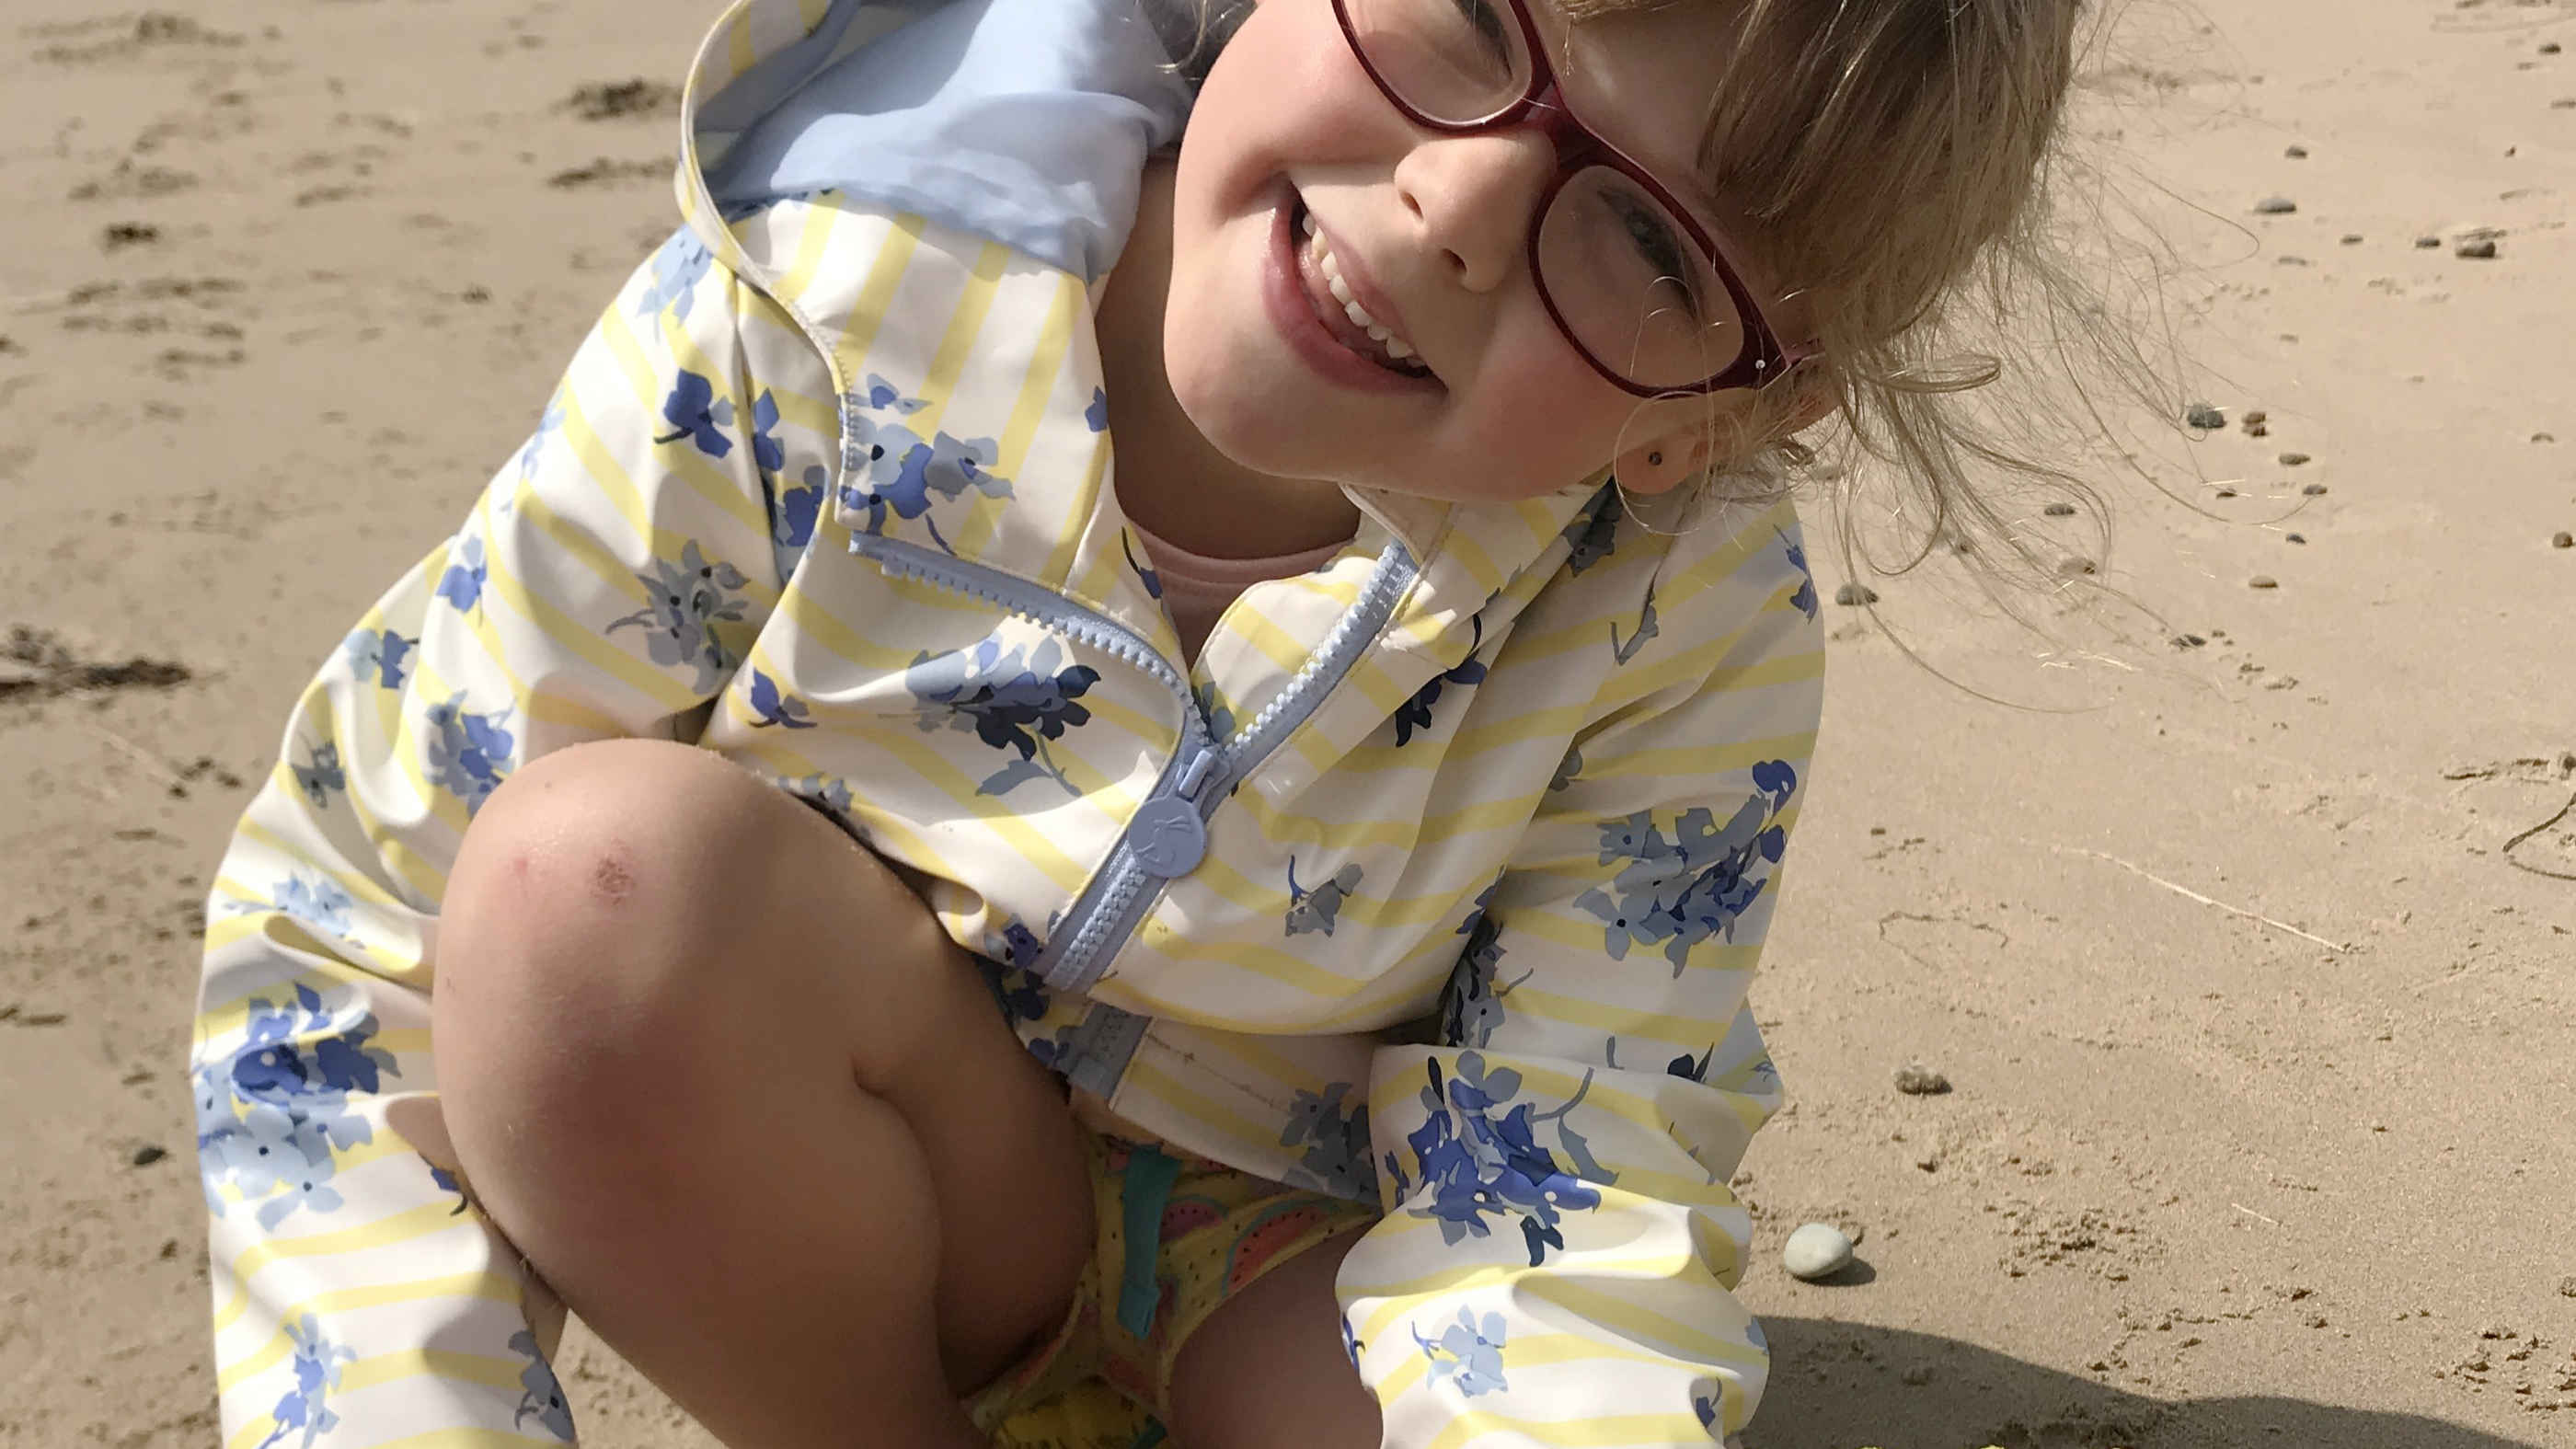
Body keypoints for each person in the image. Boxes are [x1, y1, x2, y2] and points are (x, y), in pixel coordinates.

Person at [189, 0, 2113, 1443]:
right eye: (1457, 16)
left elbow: (1579, 1159)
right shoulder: (817, 316)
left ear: (1717, 415)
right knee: (579, 884)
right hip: (860, 1198)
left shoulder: (1670, 608)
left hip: (1297, 1257)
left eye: (1644, 246)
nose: (1454, 200)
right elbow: (350, 935)